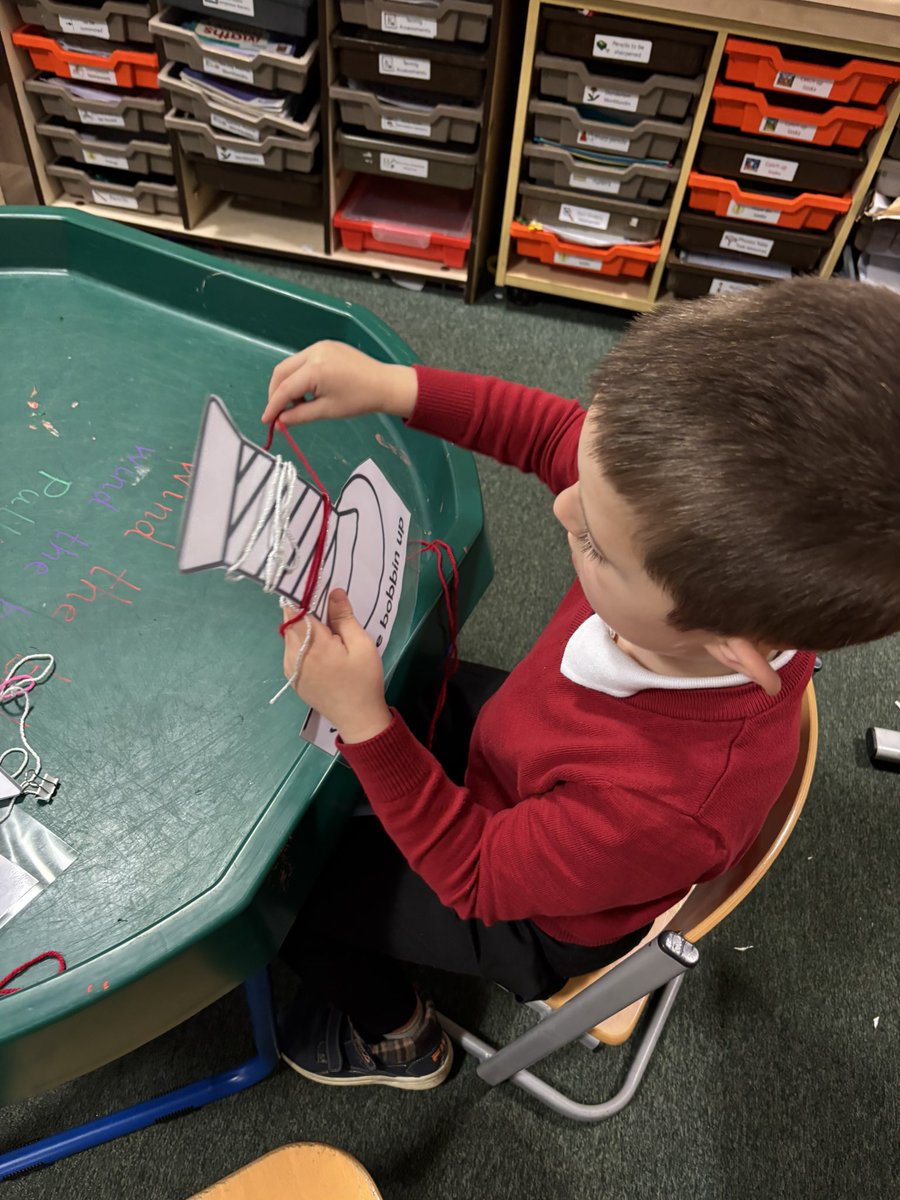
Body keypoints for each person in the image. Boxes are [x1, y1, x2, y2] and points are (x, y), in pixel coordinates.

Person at [260, 277, 900, 1091]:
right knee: (396, 700)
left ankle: (397, 1036)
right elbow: (561, 434)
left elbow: (476, 874)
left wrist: (364, 722)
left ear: (731, 645)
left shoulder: (670, 805)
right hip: (529, 753)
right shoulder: (674, 536)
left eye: (594, 543)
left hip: (527, 910)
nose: (563, 507)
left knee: (288, 901)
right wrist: (397, 388)